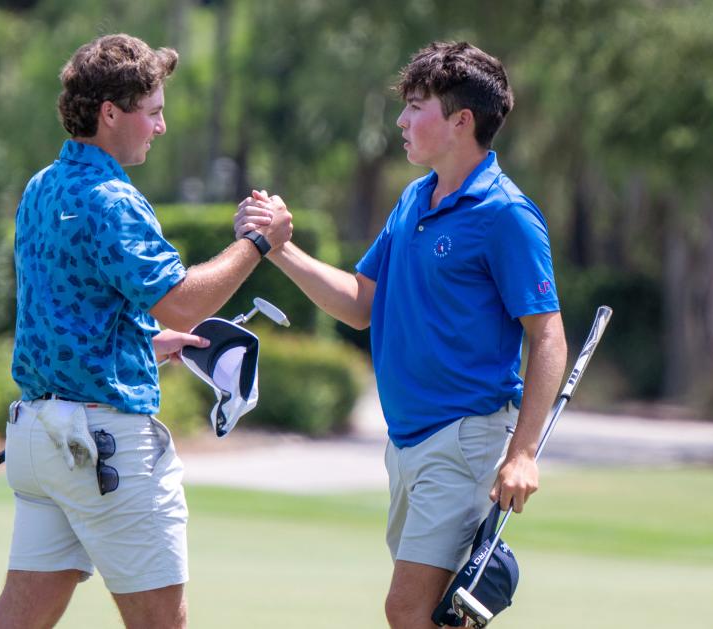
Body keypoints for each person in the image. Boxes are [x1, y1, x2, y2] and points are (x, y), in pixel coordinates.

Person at [235, 41, 567, 628]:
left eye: (417, 106)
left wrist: (522, 454)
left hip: (463, 439)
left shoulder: (506, 214)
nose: (402, 120)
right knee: (439, 617)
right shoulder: (415, 198)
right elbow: (362, 303)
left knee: (407, 609)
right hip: (407, 442)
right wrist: (278, 249)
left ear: (461, 121)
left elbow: (547, 336)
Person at [0, 34, 291, 629]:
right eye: (153, 112)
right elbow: (182, 303)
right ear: (111, 114)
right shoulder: (111, 198)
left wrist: (140, 345)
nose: (162, 127)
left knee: (17, 619)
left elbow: (67, 312)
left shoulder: (42, 187)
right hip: (103, 445)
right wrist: (258, 242)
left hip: (41, 440)